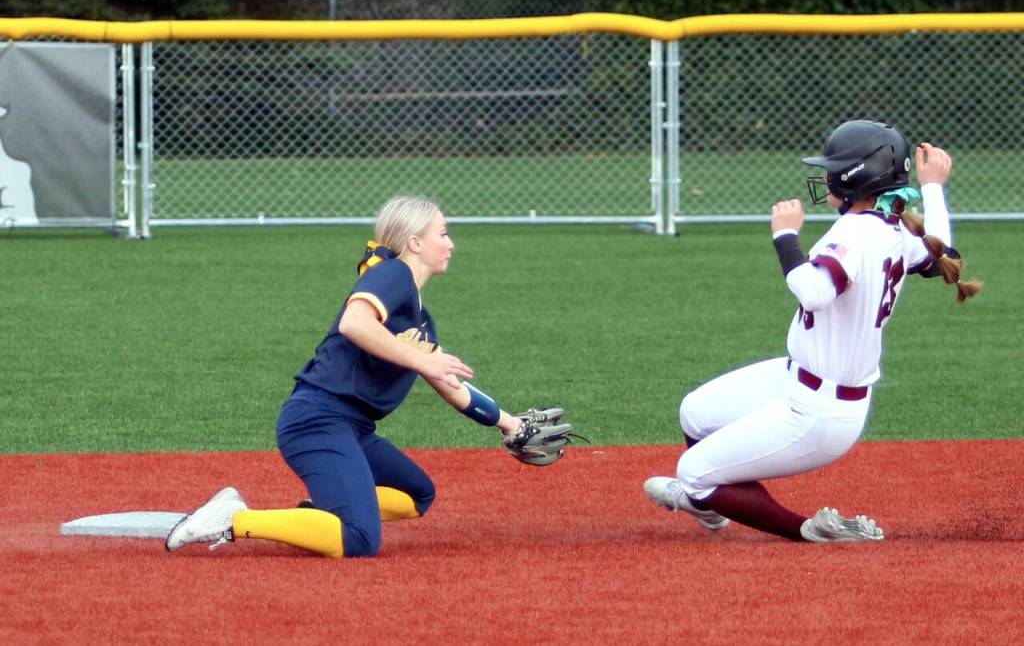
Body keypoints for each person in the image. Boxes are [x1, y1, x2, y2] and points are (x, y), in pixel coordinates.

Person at [165, 195, 572, 558]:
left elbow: (453, 389)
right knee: (360, 540)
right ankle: (232, 520)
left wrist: (509, 423)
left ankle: (329, 512)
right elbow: (354, 323)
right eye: (443, 233)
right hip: (317, 421)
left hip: (352, 429)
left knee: (417, 493)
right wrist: (424, 362)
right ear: (415, 243)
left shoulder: (418, 318)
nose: (451, 244)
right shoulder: (393, 274)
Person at [644, 119, 982, 542]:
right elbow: (943, 255)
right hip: (799, 380)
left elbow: (814, 291)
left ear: (854, 178)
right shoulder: (891, 226)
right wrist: (932, 187)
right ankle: (707, 504)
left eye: (833, 168)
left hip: (820, 412)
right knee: (695, 412)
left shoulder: (855, 232)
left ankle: (805, 530)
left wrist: (785, 236)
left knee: (691, 471)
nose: (825, 177)